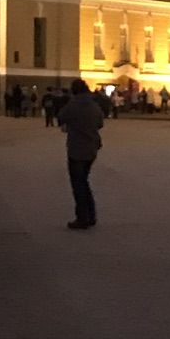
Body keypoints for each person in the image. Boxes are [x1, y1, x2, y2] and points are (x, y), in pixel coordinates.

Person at [58, 78, 104, 231]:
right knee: (84, 181)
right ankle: (91, 215)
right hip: (91, 148)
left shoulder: (73, 105)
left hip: (77, 148)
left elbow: (61, 118)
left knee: (78, 184)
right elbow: (100, 123)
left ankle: (82, 217)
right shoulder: (94, 105)